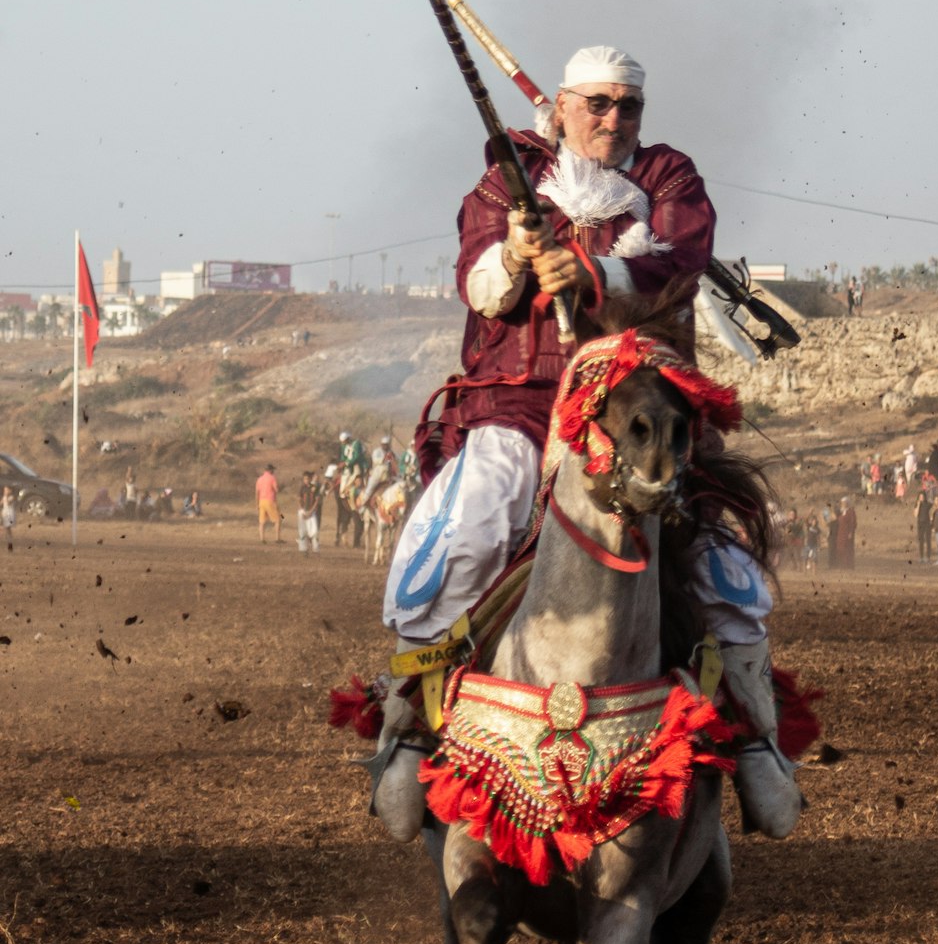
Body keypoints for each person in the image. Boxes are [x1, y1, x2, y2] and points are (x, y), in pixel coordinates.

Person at [379, 43, 801, 844]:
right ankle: (402, 729)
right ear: (562, 107)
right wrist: (515, 250)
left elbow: (680, 262)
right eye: (597, 104)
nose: (613, 118)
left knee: (721, 568)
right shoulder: (506, 181)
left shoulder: (670, 179)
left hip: (631, 399)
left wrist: (591, 273)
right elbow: (478, 284)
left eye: (627, 105)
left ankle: (757, 745)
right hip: (520, 401)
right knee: (469, 523)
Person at [255, 463, 282, 543]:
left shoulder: (259, 479)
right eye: (273, 469)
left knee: (262, 521)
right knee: (278, 519)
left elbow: (257, 492)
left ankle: (262, 538)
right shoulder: (272, 478)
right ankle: (277, 538)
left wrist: (257, 504)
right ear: (270, 470)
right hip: (270, 501)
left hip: (261, 501)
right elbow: (276, 489)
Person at [296, 471, 321, 554]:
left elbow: (316, 501)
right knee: (302, 531)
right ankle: (303, 549)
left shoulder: (314, 488)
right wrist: (302, 511)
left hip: (312, 512)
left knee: (314, 530)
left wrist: (311, 511)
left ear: (310, 479)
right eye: (304, 479)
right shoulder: (302, 488)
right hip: (303, 512)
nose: (306, 480)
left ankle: (316, 549)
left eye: (307, 479)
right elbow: (299, 500)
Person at [835, 496, 857, 568]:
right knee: (840, 548)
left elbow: (853, 522)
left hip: (847, 533)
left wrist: (850, 532)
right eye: (842, 503)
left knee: (847, 549)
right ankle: (841, 564)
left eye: (844, 503)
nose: (843, 504)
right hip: (840, 533)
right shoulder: (841, 511)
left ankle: (848, 565)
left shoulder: (851, 511)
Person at [914, 489, 932, 563]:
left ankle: (928, 557)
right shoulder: (917, 504)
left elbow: (933, 509)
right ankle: (921, 557)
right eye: (920, 497)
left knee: (928, 540)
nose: (922, 498)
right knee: (921, 540)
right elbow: (915, 515)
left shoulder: (928, 504)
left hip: (927, 523)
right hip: (920, 523)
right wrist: (918, 505)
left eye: (923, 497)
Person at [2, 485, 16, 551]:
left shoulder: (11, 497)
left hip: (9, 515)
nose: (5, 492)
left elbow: (7, 503)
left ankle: (10, 544)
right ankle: (9, 543)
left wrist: (6, 496)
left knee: (8, 529)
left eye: (6, 490)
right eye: (4, 490)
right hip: (5, 514)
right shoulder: (4, 497)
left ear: (10, 491)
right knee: (7, 530)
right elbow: (2, 503)